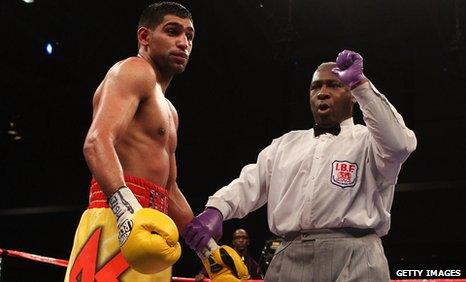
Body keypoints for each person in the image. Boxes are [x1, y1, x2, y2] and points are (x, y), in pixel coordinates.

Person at [182, 50, 417, 281]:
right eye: (316, 87)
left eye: (334, 85)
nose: (322, 93)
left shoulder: (370, 142)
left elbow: (400, 145)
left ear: (352, 94)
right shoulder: (286, 143)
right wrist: (216, 209)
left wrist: (361, 84)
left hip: (357, 253)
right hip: (289, 254)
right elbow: (249, 184)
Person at [65, 2, 196, 281]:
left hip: (153, 231)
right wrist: (128, 213)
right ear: (145, 37)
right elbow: (97, 141)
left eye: (189, 36)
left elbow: (169, 190)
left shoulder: (170, 112)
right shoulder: (133, 71)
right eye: (173, 32)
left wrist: (209, 251)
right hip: (118, 221)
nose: (183, 42)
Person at [194, 228, 263, 281]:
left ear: (248, 241)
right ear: (233, 242)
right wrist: (201, 275)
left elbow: (259, 280)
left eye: (243, 237)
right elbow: (206, 271)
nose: (241, 240)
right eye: (238, 238)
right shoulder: (222, 256)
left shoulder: (253, 264)